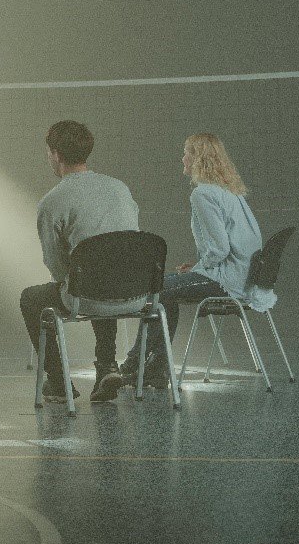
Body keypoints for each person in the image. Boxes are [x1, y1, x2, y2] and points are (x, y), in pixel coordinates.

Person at [120, 133, 274, 388]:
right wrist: (197, 266)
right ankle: (155, 369)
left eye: (186, 153)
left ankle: (136, 364)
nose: (182, 158)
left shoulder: (202, 194)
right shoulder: (230, 192)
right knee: (164, 289)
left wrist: (201, 267)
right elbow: (232, 246)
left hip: (226, 281)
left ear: (197, 158)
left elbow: (220, 248)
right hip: (243, 278)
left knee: (156, 289)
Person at [20, 120, 140, 403]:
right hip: (136, 294)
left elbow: (56, 265)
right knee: (105, 275)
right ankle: (107, 366)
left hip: (88, 294)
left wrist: (75, 277)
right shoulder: (119, 188)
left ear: (56, 155)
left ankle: (60, 382)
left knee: (31, 298)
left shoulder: (53, 201)